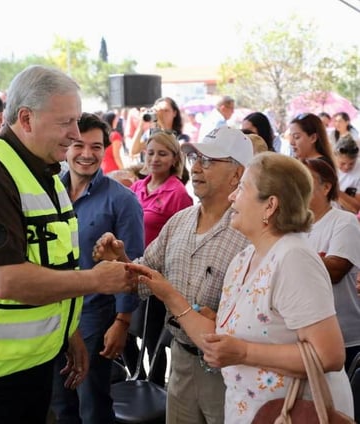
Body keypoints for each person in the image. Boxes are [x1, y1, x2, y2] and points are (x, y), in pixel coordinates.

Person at [0, 65, 134, 424]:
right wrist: (98, 280)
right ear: (26, 118)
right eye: (66, 122)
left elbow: (49, 261)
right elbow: (8, 281)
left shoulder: (42, 171)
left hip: (29, 362)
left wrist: (69, 332)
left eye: (77, 121)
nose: (75, 134)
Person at [127, 152, 354, 423]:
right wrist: (168, 294)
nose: (233, 197)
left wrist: (245, 352)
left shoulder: (293, 258)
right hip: (252, 411)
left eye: (243, 188)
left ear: (270, 206)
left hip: (292, 413)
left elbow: (329, 356)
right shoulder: (245, 258)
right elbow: (219, 341)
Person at [93, 126, 253, 424]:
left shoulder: (250, 233)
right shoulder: (179, 222)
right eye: (195, 158)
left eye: (209, 161)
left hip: (230, 371)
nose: (196, 167)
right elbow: (143, 281)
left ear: (237, 174)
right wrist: (122, 262)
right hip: (180, 360)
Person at [51, 112, 144, 424]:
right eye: (79, 145)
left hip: (95, 317)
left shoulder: (123, 200)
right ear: (67, 147)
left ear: (106, 149)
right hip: (53, 312)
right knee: (61, 404)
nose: (87, 154)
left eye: (96, 146)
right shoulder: (48, 194)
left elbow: (134, 267)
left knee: (93, 406)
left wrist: (122, 322)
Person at [130, 129, 193, 386]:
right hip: (132, 269)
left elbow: (187, 236)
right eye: (151, 152)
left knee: (153, 339)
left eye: (162, 154)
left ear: (174, 159)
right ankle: (138, 379)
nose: (155, 158)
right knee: (125, 332)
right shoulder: (137, 187)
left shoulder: (178, 193)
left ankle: (155, 387)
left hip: (159, 276)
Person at [303, 157, 360, 372]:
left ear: (326, 187)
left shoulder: (343, 221)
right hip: (308, 336)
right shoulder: (296, 226)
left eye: (305, 180)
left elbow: (335, 270)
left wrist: (293, 258)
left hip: (346, 339)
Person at [333, 134, 360, 214]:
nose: (346, 167)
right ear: (335, 157)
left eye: (351, 164)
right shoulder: (327, 166)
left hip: (348, 215)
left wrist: (333, 190)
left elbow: (355, 208)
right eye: (342, 163)